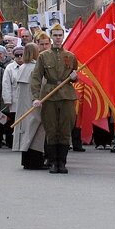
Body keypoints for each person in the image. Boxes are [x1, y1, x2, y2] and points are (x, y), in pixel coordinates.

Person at [31, 24, 78, 172]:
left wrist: (74, 78)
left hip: (67, 96)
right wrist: (35, 97)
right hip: (49, 96)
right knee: (51, 129)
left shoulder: (70, 56)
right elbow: (36, 78)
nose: (58, 38)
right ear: (51, 37)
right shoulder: (44, 56)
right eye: (55, 35)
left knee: (65, 129)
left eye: (60, 35)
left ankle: (62, 162)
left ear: (63, 36)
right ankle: (52, 162)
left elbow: (75, 75)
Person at [7, 46, 46, 169]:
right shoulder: (35, 68)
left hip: (22, 104)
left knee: (26, 130)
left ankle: (26, 161)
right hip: (34, 102)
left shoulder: (22, 67)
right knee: (36, 131)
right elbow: (41, 85)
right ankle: (35, 162)